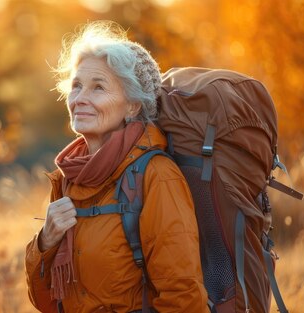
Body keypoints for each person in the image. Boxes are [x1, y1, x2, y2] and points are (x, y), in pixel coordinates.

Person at [24, 21, 208, 312]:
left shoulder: (156, 176)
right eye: (76, 86)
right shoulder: (69, 178)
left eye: (98, 87)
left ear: (133, 105)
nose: (80, 98)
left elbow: (182, 294)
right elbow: (47, 302)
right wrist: (45, 241)